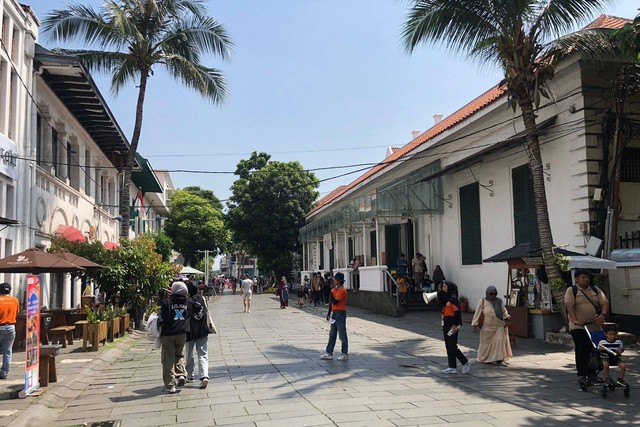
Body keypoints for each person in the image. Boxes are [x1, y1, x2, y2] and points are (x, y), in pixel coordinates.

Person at [565, 269, 609, 383]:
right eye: (583, 277)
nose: (586, 279)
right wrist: (574, 319)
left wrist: (602, 315)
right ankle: (582, 374)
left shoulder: (595, 290)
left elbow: (604, 303)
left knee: (594, 350)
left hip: (594, 326)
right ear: (577, 279)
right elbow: (569, 305)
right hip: (579, 326)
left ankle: (592, 373)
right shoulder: (572, 290)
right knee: (581, 349)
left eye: (587, 277)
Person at [159, 281, 203, 393]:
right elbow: (198, 309)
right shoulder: (188, 302)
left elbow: (163, 318)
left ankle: (170, 385)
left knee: (168, 358)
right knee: (179, 354)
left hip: (168, 333)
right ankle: (181, 374)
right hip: (182, 333)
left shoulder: (167, 302)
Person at [471, 286, 512, 366]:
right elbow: (478, 313)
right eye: (491, 294)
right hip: (487, 328)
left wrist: (506, 317)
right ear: (487, 293)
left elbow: (504, 311)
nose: (493, 296)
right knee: (486, 343)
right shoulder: (482, 301)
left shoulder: (499, 301)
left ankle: (499, 359)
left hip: (498, 325)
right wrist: (475, 324)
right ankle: (485, 357)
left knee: (499, 341)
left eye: (495, 294)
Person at [438, 281, 470, 374]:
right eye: (442, 286)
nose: (443, 288)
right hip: (446, 323)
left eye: (444, 286)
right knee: (448, 345)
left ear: (449, 287)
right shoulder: (443, 298)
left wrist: (455, 325)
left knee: (452, 345)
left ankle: (465, 362)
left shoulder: (453, 298)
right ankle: (452, 366)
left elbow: (457, 314)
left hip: (453, 324)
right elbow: (442, 310)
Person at [185, 282, 209, 389]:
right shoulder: (202, 298)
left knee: (189, 354)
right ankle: (204, 376)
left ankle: (190, 375)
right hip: (202, 330)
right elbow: (207, 311)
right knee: (203, 354)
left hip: (190, 332)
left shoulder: (187, 301)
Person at [321, 272, 349, 361]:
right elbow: (331, 303)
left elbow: (335, 301)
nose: (333, 281)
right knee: (332, 334)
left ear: (339, 281)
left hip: (340, 313)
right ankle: (329, 352)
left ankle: (344, 353)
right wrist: (329, 314)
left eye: (335, 279)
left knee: (342, 334)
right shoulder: (334, 289)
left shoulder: (342, 291)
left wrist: (330, 294)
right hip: (334, 313)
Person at [0, 283, 19, 380]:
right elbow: (17, 312)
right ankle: (4, 372)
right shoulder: (15, 300)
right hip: (11, 327)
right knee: (7, 351)